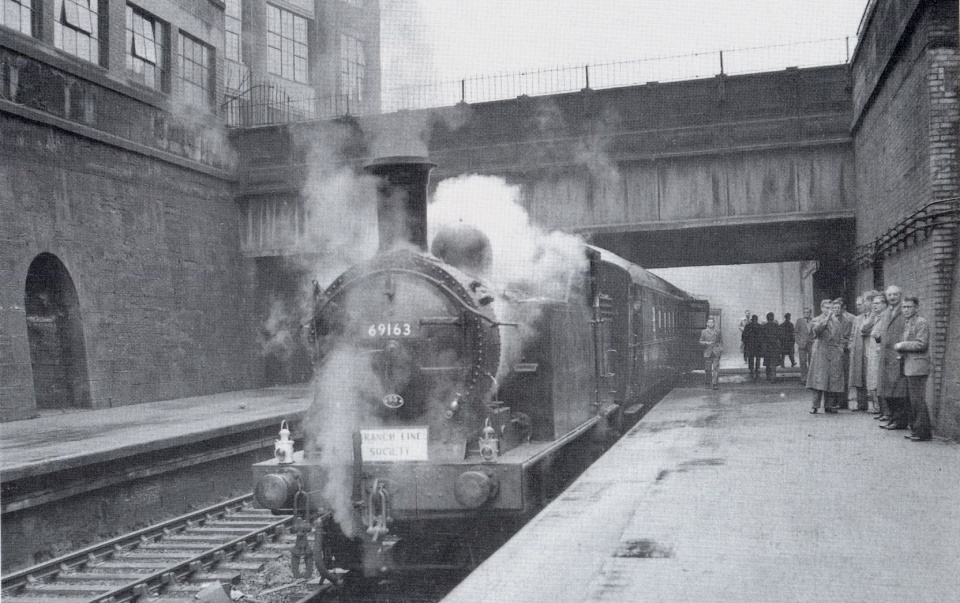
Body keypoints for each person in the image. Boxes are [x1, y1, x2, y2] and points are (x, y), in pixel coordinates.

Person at [894, 295, 932, 441]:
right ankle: (917, 429)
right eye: (904, 307)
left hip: (918, 367)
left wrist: (902, 345)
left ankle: (923, 432)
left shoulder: (921, 322)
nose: (906, 310)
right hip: (910, 365)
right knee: (912, 400)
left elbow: (921, 344)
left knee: (917, 400)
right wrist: (902, 353)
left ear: (917, 307)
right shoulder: (908, 322)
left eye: (909, 307)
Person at [875, 286, 909, 431]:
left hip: (897, 354)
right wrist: (879, 337)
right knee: (887, 389)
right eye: (889, 295)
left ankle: (900, 421)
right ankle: (893, 418)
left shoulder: (904, 311)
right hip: (885, 355)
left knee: (898, 389)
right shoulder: (887, 312)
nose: (892, 297)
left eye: (895, 294)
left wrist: (902, 348)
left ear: (900, 295)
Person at [808, 299, 844, 413]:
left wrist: (840, 348)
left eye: (831, 308)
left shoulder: (837, 322)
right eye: (827, 308)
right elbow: (817, 330)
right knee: (819, 379)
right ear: (822, 308)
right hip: (821, 352)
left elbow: (840, 337)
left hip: (833, 353)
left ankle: (829, 405)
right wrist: (827, 318)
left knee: (832, 379)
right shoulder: (816, 320)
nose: (830, 310)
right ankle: (815, 405)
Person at [847, 294, 874, 411]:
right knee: (859, 377)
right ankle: (861, 404)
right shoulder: (857, 319)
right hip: (858, 350)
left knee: (870, 376)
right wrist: (851, 346)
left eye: (860, 304)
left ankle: (873, 405)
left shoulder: (873, 317)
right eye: (857, 305)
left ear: (866, 304)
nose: (858, 307)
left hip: (869, 349)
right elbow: (853, 335)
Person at [864, 294, 888, 418]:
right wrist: (872, 316)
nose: (874, 306)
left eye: (877, 303)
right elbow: (863, 329)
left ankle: (884, 411)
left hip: (880, 354)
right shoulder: (875, 316)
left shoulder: (886, 316)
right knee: (873, 381)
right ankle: (879, 408)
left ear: (885, 304)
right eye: (873, 303)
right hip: (873, 353)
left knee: (880, 382)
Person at [837, 299, 857, 410]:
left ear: (843, 307)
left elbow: (851, 335)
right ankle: (836, 400)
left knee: (844, 375)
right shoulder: (833, 318)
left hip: (844, 350)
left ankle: (843, 401)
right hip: (835, 350)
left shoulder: (851, 319)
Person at [699, 317, 723, 390]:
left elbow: (721, 341)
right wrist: (706, 343)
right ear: (707, 323)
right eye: (709, 322)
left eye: (712, 322)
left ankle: (715, 383)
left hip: (716, 352)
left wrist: (720, 349)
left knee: (715, 368)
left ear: (714, 323)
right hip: (707, 352)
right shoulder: (703, 332)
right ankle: (707, 382)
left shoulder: (718, 331)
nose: (711, 324)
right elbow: (700, 341)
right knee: (708, 369)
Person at [760, 312, 781, 382]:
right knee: (774, 362)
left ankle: (768, 377)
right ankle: (773, 377)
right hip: (774, 345)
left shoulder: (763, 327)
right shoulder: (776, 326)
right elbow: (779, 336)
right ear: (773, 318)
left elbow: (762, 337)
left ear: (767, 318)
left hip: (766, 346)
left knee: (767, 362)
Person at [794, 308, 813, 381]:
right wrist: (798, 341)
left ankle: (810, 378)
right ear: (803, 313)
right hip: (802, 344)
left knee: (811, 361)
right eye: (805, 312)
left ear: (810, 313)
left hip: (811, 343)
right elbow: (796, 333)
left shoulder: (813, 321)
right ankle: (803, 378)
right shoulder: (799, 321)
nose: (806, 314)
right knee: (803, 361)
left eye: (808, 312)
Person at [742, 315, 762, 381]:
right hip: (757, 344)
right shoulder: (759, 326)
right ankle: (756, 368)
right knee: (757, 357)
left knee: (751, 357)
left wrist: (745, 343)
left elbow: (744, 335)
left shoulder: (748, 326)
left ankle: (751, 369)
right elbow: (762, 336)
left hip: (750, 344)